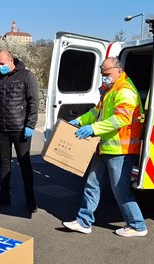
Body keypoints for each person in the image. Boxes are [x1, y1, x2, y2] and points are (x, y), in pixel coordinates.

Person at [62, 57, 148, 238]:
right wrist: (81, 121)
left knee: (120, 190)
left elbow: (121, 119)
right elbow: (96, 112)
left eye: (107, 74)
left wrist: (92, 129)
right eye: (102, 74)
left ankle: (137, 225)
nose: (104, 78)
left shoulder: (125, 91)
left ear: (119, 70)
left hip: (120, 151)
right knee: (92, 184)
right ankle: (84, 221)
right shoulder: (111, 90)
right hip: (105, 146)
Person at [0, 49, 39, 213]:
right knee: (4, 163)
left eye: (2, 63)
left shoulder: (27, 76)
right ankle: (4, 196)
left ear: (11, 61)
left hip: (21, 129)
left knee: (25, 164)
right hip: (2, 129)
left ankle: (30, 199)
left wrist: (30, 124)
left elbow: (33, 101)